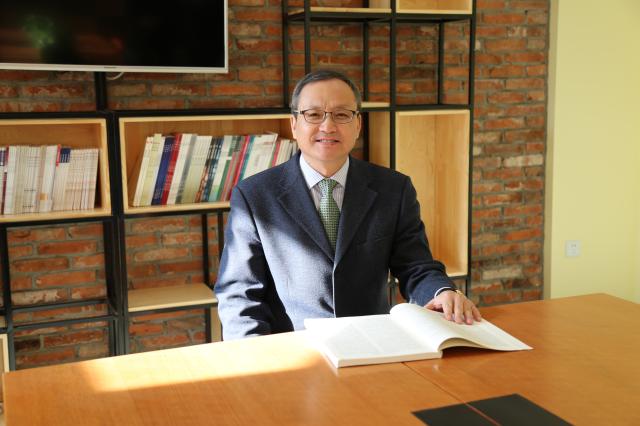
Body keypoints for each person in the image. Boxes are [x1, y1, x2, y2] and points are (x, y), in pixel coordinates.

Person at [215, 69, 481, 340]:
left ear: (358, 125)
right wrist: (255, 354)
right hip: (293, 348)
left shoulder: (394, 189)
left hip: (371, 344)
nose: (328, 126)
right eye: (313, 114)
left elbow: (416, 266)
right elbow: (238, 293)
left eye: (341, 115)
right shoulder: (254, 196)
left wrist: (442, 292)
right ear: (294, 124)